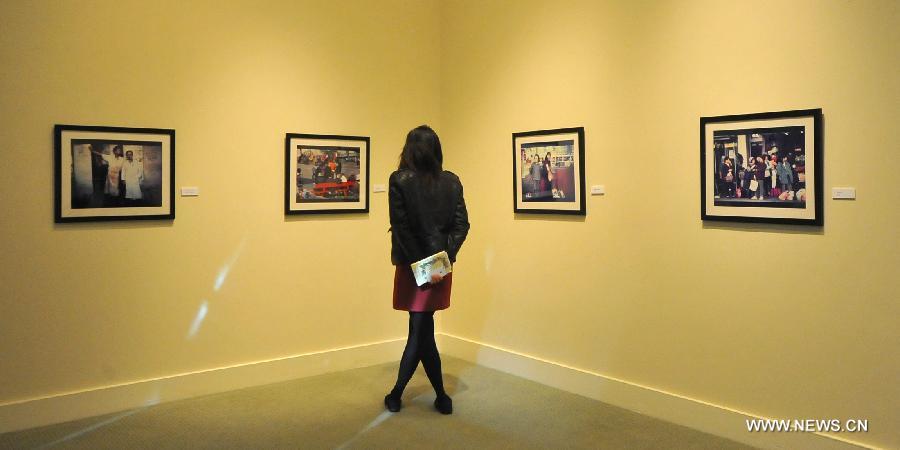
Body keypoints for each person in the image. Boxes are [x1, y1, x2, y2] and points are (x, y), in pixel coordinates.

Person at [385, 125, 470, 416]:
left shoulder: (399, 180)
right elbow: (462, 226)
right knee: (424, 328)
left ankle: (398, 393)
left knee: (418, 330)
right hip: (439, 268)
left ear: (409, 149)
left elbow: (402, 230)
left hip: (414, 267)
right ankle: (441, 397)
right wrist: (439, 264)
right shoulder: (452, 181)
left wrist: (423, 268)